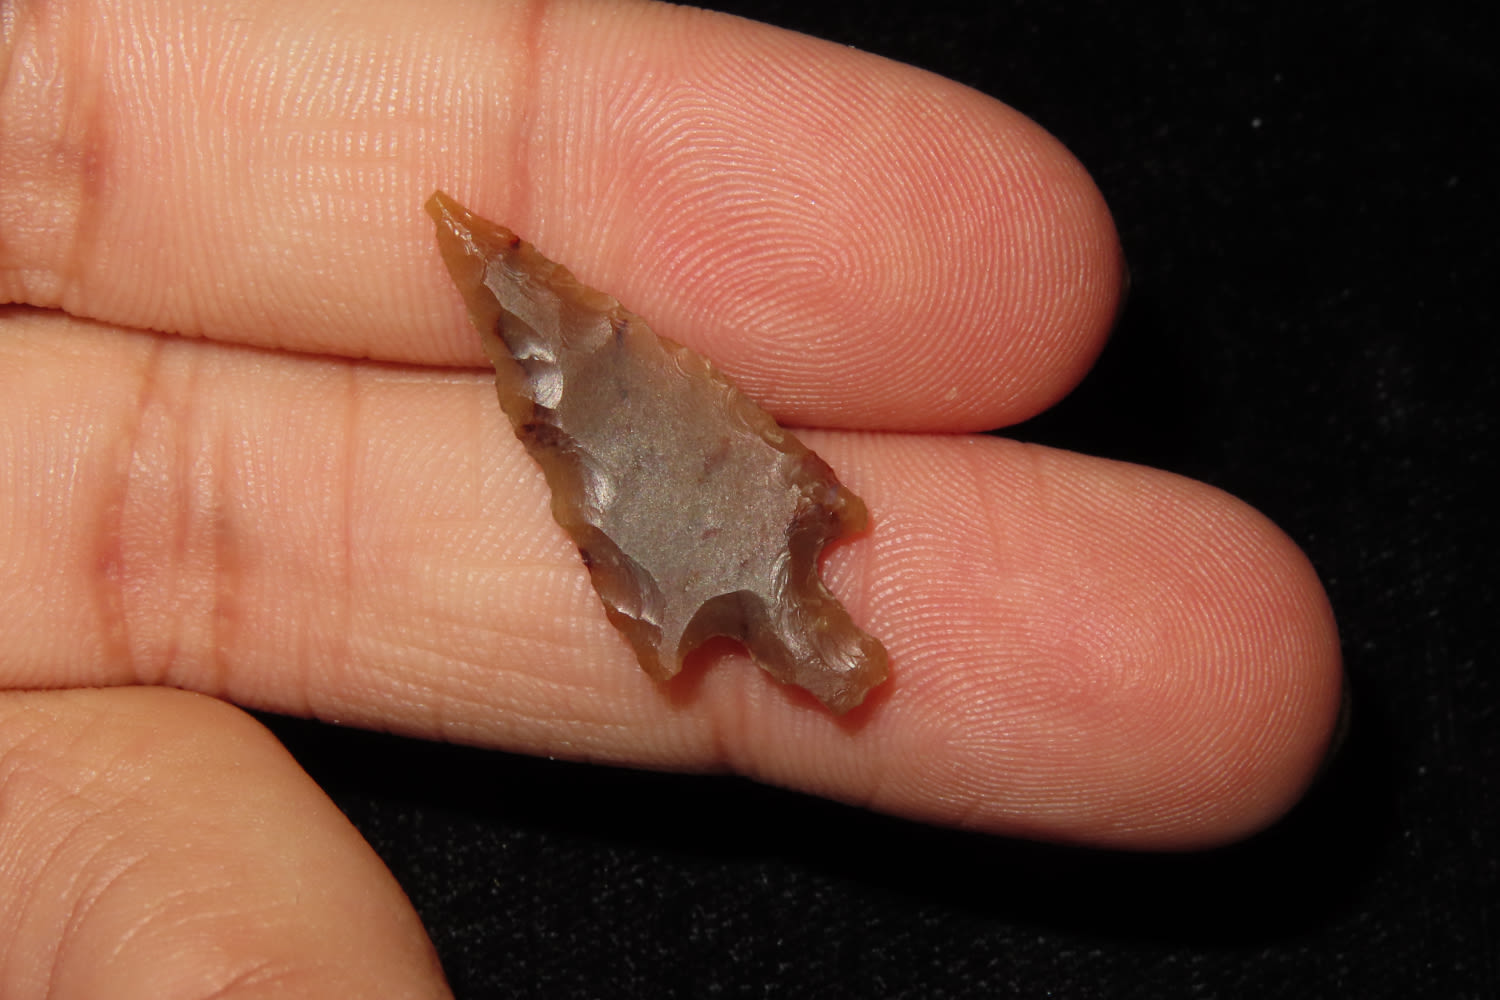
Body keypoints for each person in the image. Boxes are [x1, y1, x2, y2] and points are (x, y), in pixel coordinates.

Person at [0, 1, 1342, 995]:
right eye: (832, 650)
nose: (837, 654)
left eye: (825, 656)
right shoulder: (765, 528)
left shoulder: (780, 524)